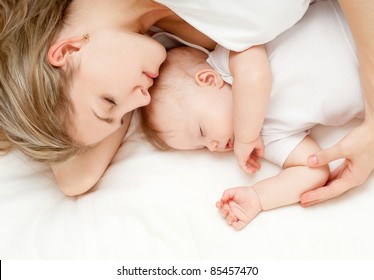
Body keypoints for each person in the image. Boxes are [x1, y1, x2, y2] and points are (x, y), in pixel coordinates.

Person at [0, 0, 312, 196]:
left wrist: (366, 130)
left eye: (109, 101)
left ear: (67, 51)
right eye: (123, 118)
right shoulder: (181, 47)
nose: (142, 101)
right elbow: (75, 180)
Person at [139, 0, 364, 229]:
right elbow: (312, 169)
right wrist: (259, 197)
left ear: (209, 79)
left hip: (357, 23)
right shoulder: (265, 139)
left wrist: (247, 135)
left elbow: (256, 76)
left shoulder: (229, 62)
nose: (213, 146)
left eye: (202, 131)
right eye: (202, 146)